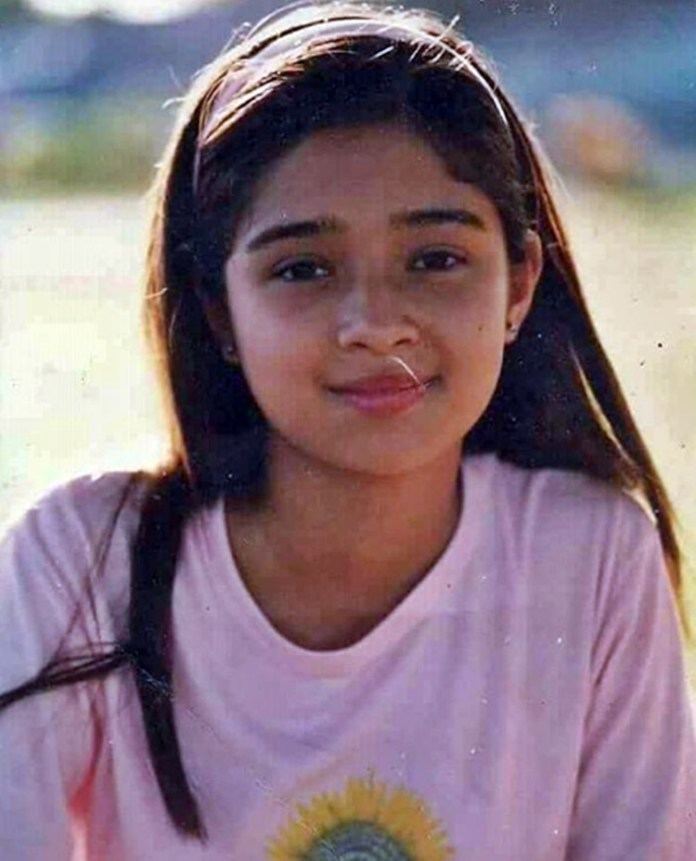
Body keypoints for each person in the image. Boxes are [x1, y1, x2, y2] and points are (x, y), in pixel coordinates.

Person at [1, 2, 694, 858]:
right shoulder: (81, 560)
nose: (374, 322)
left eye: (435, 258)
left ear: (518, 285)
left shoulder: (592, 557)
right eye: (304, 268)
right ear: (220, 309)